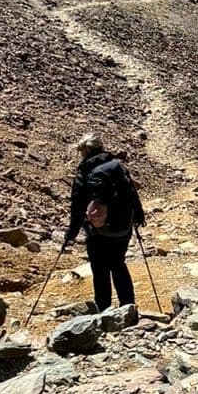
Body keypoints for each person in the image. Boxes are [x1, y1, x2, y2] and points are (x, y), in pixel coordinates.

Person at [63, 133, 146, 315]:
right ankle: (128, 307)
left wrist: (71, 234)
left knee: (100, 269)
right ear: (101, 147)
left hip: (97, 231)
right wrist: (139, 217)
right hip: (123, 228)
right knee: (118, 263)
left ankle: (103, 311)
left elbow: (77, 207)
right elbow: (132, 193)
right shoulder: (117, 166)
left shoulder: (84, 172)